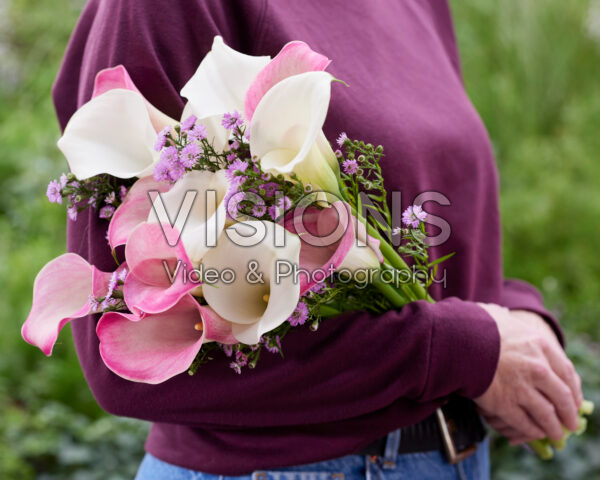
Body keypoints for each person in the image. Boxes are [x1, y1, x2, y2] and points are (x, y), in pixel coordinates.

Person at [52, 1, 583, 479]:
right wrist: (458, 348)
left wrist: (509, 317)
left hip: (456, 456)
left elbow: (430, 196)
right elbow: (120, 352)